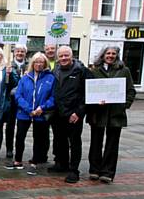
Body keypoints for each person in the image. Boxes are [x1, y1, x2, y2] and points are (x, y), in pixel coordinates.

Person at [86, 46, 136, 184]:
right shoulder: (94, 70)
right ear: (103, 55)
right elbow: (88, 90)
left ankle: (107, 172)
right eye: (108, 53)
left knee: (112, 144)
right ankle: (94, 170)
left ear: (117, 55)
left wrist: (124, 104)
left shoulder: (124, 71)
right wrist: (95, 102)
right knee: (95, 143)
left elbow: (131, 91)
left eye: (113, 53)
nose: (111, 56)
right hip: (98, 113)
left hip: (115, 114)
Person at [5, 52, 55, 176]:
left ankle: (34, 162)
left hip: (41, 113)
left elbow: (53, 97)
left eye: (41, 62)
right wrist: (28, 109)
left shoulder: (51, 78)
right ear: (32, 63)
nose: (38, 64)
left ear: (45, 63)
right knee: (20, 136)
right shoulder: (25, 78)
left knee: (38, 139)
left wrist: (42, 108)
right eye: (36, 62)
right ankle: (17, 160)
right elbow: (18, 95)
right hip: (24, 113)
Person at [51, 46, 92, 183]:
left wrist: (79, 112)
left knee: (74, 142)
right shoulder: (55, 70)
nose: (63, 58)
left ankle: (74, 170)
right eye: (61, 56)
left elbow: (88, 94)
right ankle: (62, 164)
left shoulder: (82, 71)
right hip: (58, 113)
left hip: (74, 114)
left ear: (72, 56)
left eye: (66, 55)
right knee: (59, 140)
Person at [6, 44, 28, 158]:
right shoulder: (9, 65)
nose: (20, 53)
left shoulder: (29, 65)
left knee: (21, 126)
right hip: (11, 100)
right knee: (10, 125)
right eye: (18, 51)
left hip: (24, 100)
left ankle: (19, 149)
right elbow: (6, 84)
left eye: (22, 52)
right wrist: (7, 75)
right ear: (14, 52)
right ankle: (9, 148)